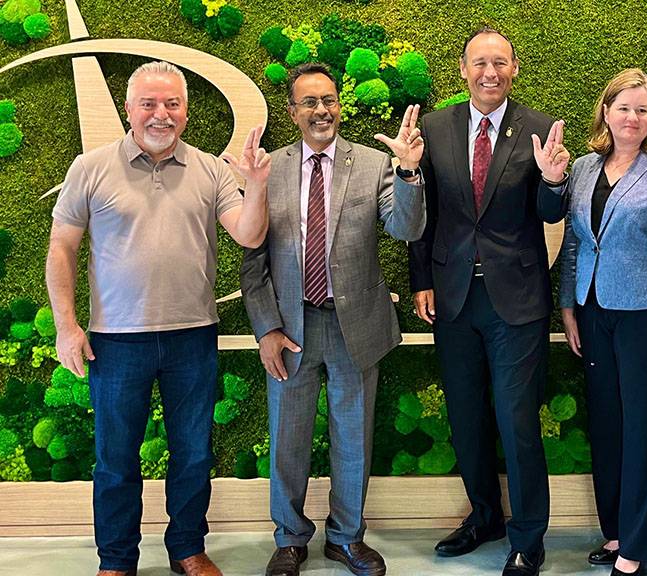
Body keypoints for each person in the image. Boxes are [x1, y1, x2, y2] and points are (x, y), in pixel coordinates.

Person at [45, 61, 270, 576]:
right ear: (128, 109)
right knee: (116, 461)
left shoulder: (212, 169)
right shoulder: (90, 167)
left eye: (172, 104)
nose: (161, 114)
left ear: (186, 111)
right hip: (116, 342)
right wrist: (66, 325)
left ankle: (187, 549)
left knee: (192, 454)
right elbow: (61, 247)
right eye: (149, 103)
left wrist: (256, 186)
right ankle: (117, 560)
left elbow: (250, 235)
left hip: (192, 336)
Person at [240, 63, 426, 576]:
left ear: (338, 105)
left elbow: (406, 228)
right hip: (289, 327)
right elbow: (252, 259)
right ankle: (290, 540)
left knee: (354, 437)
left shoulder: (372, 164)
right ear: (292, 112)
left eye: (329, 100)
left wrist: (409, 170)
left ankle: (346, 538)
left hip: (356, 326)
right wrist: (266, 330)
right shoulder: (267, 168)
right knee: (288, 438)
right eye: (309, 102)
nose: (321, 110)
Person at [537, 68, 647, 576]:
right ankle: (615, 534)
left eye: (643, 108)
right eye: (624, 107)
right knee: (609, 426)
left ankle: (636, 549)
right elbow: (575, 241)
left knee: (643, 431)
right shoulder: (587, 167)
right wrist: (569, 306)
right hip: (595, 313)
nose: (633, 117)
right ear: (607, 112)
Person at [406, 26, 561, 576]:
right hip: (451, 298)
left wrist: (554, 182)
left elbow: (548, 213)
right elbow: (420, 216)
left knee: (517, 419)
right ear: (463, 70)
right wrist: (421, 278)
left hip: (516, 301)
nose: (490, 72)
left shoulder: (539, 129)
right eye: (480, 63)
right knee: (466, 415)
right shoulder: (433, 128)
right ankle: (484, 517)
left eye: (500, 63)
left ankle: (527, 537)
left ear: (514, 68)